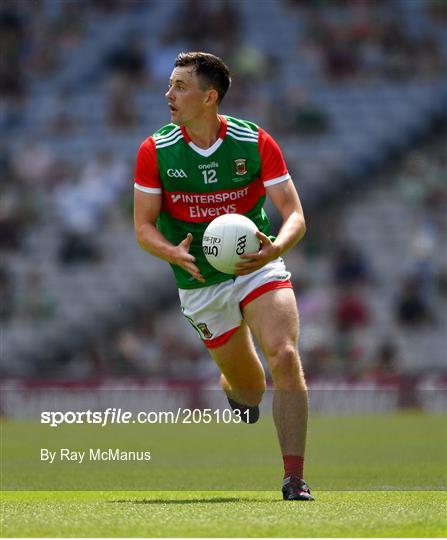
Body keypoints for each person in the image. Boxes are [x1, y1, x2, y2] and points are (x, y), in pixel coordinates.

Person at [133, 52, 313, 501]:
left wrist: (276, 247)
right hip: (199, 281)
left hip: (256, 262)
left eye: (179, 86)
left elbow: (294, 215)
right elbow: (142, 227)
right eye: (170, 85)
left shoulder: (254, 142)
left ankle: (294, 478)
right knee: (250, 391)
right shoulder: (154, 150)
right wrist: (171, 251)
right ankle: (236, 389)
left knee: (285, 356)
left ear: (209, 96)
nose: (168, 94)